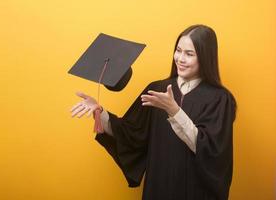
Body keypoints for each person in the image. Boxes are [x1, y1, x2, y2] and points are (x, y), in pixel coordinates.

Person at [70, 24, 237, 200]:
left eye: (189, 54)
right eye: (178, 50)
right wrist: (100, 112)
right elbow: (130, 135)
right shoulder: (157, 89)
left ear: (205, 57)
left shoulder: (219, 99)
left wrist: (174, 111)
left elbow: (213, 153)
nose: (180, 58)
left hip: (196, 192)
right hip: (159, 188)